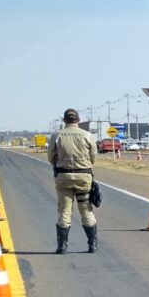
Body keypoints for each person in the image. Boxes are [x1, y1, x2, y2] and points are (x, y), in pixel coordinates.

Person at [47, 108, 98, 253]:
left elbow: (51, 157)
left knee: (64, 211)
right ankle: (92, 245)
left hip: (64, 178)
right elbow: (93, 157)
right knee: (86, 210)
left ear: (64, 121)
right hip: (84, 178)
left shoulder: (57, 136)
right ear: (78, 120)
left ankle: (62, 246)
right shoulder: (87, 136)